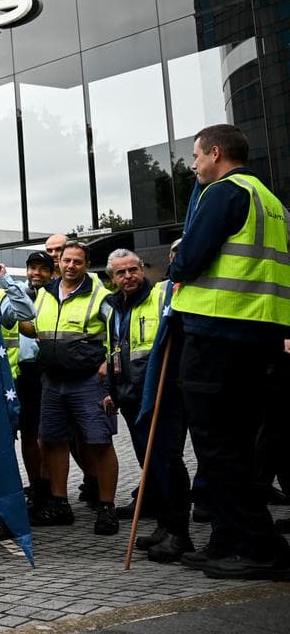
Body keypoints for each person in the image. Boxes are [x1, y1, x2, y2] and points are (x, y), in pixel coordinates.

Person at [169, 124, 290, 580]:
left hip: (219, 334)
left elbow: (190, 260)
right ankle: (227, 539)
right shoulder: (273, 203)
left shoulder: (223, 193)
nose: (194, 165)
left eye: (197, 157)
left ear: (215, 153)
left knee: (220, 449)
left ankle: (260, 548)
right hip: (259, 337)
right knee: (236, 446)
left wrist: (178, 259)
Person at [19, 241, 119, 535]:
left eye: (78, 262)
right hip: (51, 381)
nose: (71, 266)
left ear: (86, 265)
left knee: (99, 442)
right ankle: (59, 505)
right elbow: (33, 328)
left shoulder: (100, 294)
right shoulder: (45, 293)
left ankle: (107, 508)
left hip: (88, 381)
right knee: (51, 442)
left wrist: (109, 362)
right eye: (66, 261)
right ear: (58, 263)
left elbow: (118, 330)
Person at [105, 248, 193, 562]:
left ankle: (179, 535)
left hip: (160, 395)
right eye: (121, 273)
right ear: (112, 278)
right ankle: (163, 526)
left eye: (133, 269)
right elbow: (116, 352)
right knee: (150, 464)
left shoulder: (160, 295)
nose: (129, 276)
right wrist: (111, 389)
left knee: (167, 462)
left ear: (142, 269)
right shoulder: (114, 307)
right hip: (130, 397)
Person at [16, 251, 54, 511]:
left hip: (49, 372)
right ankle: (37, 487)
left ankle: (52, 489)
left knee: (48, 436)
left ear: (53, 273)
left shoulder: (56, 295)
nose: (36, 273)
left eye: (42, 268)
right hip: (22, 373)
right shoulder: (17, 292)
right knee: (28, 434)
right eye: (32, 267)